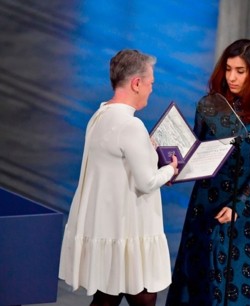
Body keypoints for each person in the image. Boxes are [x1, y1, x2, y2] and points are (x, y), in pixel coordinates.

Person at [165, 39, 250, 305]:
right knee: (197, 279)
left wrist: (237, 204)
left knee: (234, 286)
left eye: (240, 71)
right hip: (205, 202)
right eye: (228, 69)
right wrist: (173, 167)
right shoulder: (210, 105)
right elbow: (194, 149)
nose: (231, 77)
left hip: (242, 210)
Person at [59, 49, 179, 306]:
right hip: (128, 229)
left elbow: (117, 165)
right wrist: (171, 169)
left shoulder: (100, 115)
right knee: (142, 297)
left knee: (107, 296)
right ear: (136, 83)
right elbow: (146, 182)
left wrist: (149, 151)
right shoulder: (131, 125)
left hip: (110, 228)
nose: (150, 90)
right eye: (150, 84)